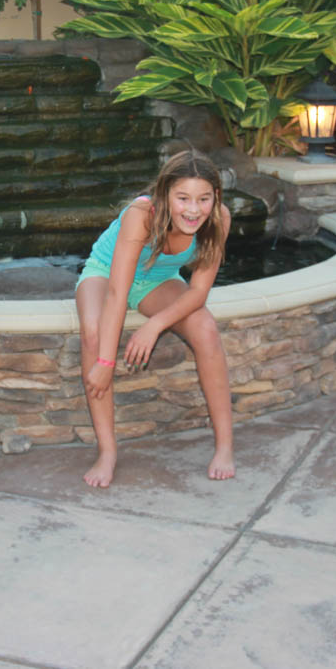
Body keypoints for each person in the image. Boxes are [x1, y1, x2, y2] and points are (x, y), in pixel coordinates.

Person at [75, 149, 236, 488]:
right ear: (165, 195)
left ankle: (224, 446)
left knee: (205, 328)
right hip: (107, 273)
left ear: (216, 196)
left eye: (203, 199)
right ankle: (107, 451)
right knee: (92, 332)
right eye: (183, 198)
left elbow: (198, 292)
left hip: (156, 280)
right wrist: (105, 360)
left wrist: (154, 324)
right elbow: (117, 293)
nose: (193, 210)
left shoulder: (220, 217)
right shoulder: (141, 213)